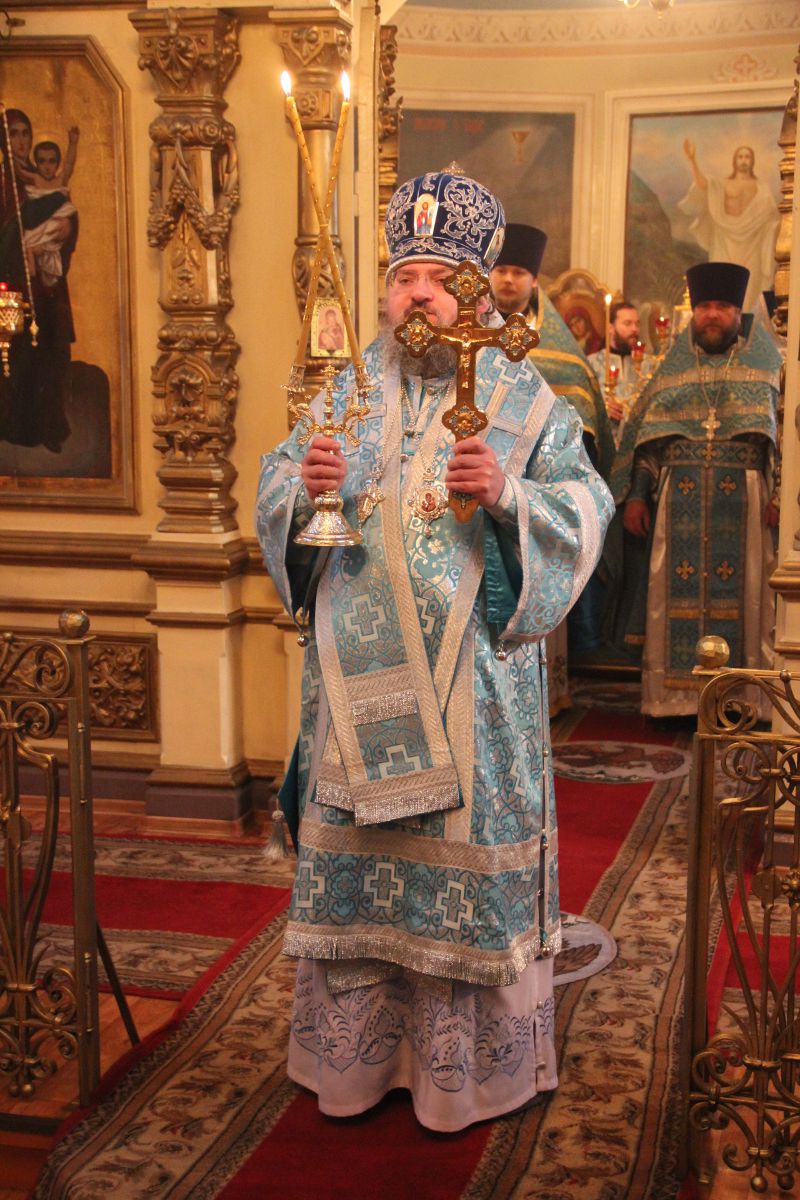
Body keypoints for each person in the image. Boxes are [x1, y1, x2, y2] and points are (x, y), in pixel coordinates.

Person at [255, 168, 613, 1132]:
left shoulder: (527, 401)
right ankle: (355, 1067)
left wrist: (507, 495)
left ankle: (464, 1077)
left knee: (458, 865)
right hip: (352, 707)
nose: (419, 295)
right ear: (385, 292)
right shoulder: (342, 391)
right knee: (365, 883)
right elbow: (276, 488)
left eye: (440, 280)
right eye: (404, 276)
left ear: (475, 294)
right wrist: (302, 489)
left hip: (474, 704)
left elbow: (586, 507)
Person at [610, 261, 781, 717]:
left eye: (722, 306)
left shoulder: (767, 366)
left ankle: (742, 700)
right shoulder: (672, 371)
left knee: (748, 599)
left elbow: (785, 436)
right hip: (677, 497)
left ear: (738, 313)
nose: (712, 315)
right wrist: (637, 495)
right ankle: (675, 702)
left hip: (744, 501)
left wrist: (780, 495)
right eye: (705, 306)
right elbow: (647, 440)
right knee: (671, 597)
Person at [490, 221, 615, 677]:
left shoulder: (562, 356)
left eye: (519, 273)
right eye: (501, 270)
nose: (509, 280)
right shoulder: (464, 337)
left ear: (534, 281)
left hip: (535, 488)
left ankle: (551, 684)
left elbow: (584, 436)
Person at [0, 108, 78, 453]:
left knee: (49, 351)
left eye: (25, 134)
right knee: (14, 353)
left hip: (46, 284)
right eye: (13, 134)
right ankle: (11, 426)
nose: (20, 141)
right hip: (11, 283)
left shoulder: (40, 175)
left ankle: (48, 428)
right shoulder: (4, 181)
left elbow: (66, 213)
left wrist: (67, 230)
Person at [679, 141, 779, 314]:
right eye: (740, 156)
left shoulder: (762, 189)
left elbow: (772, 216)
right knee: (722, 285)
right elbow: (703, 185)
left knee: (751, 287)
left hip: (752, 243)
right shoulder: (723, 184)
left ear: (752, 161)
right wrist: (693, 160)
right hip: (725, 240)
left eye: (747, 157)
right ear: (735, 160)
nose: (744, 160)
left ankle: (747, 324)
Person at [587, 299, 656, 447]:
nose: (634, 329)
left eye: (637, 324)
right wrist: (600, 409)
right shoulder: (591, 363)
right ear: (611, 328)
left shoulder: (649, 364)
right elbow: (580, 405)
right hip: (603, 446)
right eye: (627, 323)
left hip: (640, 445)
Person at [20, 129, 80, 288]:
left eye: (51, 161)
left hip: (57, 221)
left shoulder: (60, 180)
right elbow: (19, 172)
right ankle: (32, 266)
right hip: (39, 225)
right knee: (28, 242)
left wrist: (73, 143)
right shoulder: (36, 179)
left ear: (58, 163)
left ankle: (43, 255)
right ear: (36, 162)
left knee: (44, 237)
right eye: (42, 161)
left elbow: (70, 164)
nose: (47, 166)